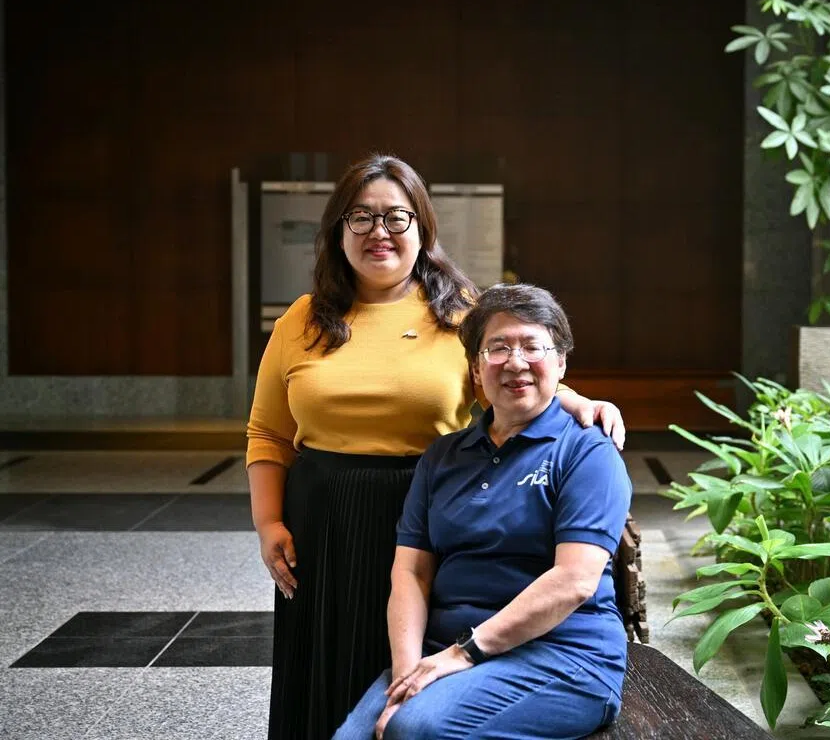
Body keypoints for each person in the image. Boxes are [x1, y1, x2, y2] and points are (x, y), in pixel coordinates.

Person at [246, 154, 625, 740]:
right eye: (361, 217)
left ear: (422, 228)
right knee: (325, 661)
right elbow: (268, 432)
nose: (379, 232)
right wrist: (269, 520)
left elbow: (514, 363)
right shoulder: (302, 318)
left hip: (428, 501)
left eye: (396, 218)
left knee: (413, 651)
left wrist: (581, 405)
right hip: (324, 512)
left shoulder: (458, 310)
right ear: (338, 230)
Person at [333, 283, 632, 740]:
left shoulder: (588, 452)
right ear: (476, 367)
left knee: (415, 731)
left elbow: (574, 581)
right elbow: (411, 574)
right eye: (497, 348)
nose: (515, 362)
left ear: (561, 362)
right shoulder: (443, 457)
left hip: (563, 656)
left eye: (533, 346)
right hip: (446, 649)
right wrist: (408, 676)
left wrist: (463, 655)